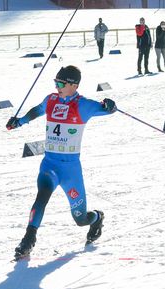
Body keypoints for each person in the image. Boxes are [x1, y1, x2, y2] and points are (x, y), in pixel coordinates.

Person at [6, 65, 117, 260]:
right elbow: (37, 110)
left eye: (61, 83)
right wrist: (20, 121)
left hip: (70, 170)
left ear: (74, 85)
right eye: (55, 82)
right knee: (41, 197)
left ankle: (97, 218)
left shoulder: (83, 105)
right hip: (49, 165)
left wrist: (109, 104)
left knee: (80, 219)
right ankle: (28, 238)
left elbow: (107, 109)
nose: (57, 86)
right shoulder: (51, 100)